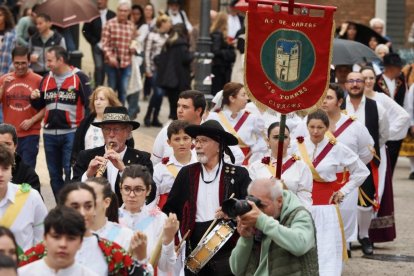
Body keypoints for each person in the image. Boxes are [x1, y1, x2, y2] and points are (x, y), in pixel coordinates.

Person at [163, 120, 251, 275]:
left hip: (229, 252)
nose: (197, 145)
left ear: (219, 145)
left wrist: (233, 211)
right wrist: (173, 241)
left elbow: (252, 207)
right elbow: (170, 211)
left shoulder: (238, 175)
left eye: (203, 141)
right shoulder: (187, 174)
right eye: (196, 141)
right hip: (196, 251)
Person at [291, 110, 369, 275]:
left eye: (320, 127)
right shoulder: (296, 146)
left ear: (327, 128)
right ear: (306, 127)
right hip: (300, 206)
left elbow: (362, 171)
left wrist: (343, 191)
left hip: (326, 207)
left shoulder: (337, 148)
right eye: (312, 127)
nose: (315, 131)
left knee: (327, 249)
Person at [19, 182, 139, 275]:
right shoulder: (41, 251)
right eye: (74, 206)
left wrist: (141, 256)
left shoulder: (111, 252)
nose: (82, 213)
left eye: (88, 206)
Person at [30, 46, 91, 200]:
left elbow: (89, 106)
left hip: (71, 133)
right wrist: (34, 98)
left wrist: (85, 130)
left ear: (61, 60)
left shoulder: (79, 77)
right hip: (49, 134)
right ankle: (61, 207)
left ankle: (70, 206)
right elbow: (40, 106)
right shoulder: (46, 79)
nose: (47, 64)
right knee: (54, 175)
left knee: (70, 172)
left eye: (50, 60)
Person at [320, 84, 375, 250]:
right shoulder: (310, 123)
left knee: (344, 222)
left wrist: (351, 170)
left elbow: (367, 153)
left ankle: (343, 252)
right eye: (322, 97)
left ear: (340, 101)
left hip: (344, 181)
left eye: (329, 98)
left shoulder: (354, 126)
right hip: (319, 181)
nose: (324, 101)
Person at [343, 71, 391, 254]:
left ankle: (364, 236)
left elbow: (383, 135)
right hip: (343, 163)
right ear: (346, 84)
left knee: (366, 203)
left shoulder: (377, 107)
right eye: (351, 80)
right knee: (345, 200)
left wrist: (369, 152)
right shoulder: (339, 106)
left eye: (359, 81)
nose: (355, 84)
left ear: (365, 84)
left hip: (367, 162)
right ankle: (346, 240)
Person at [229, 178, 318, 276]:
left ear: (279, 201)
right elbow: (236, 270)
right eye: (254, 205)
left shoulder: (299, 215)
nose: (258, 211)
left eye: (262, 205)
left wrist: (262, 221)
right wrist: (245, 239)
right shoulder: (257, 221)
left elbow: (300, 246)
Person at [362, 66, 409, 243]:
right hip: (356, 152)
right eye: (364, 78)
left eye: (371, 78)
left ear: (375, 80)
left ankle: (370, 234)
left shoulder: (381, 99)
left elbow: (403, 116)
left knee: (376, 189)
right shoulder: (352, 100)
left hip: (377, 151)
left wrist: (386, 135)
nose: (367, 81)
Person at [72, 106, 154, 204]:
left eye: (116, 129)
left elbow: (151, 193)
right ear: (102, 132)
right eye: (107, 129)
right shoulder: (86, 156)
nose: (111, 134)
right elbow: (71, 192)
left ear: (128, 133)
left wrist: (124, 170)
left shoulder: (142, 159)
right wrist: (88, 175)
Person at [118, 165, 179, 275]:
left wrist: (168, 240)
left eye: (138, 189)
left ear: (148, 190)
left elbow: (165, 266)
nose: (131, 195)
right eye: (127, 189)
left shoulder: (159, 219)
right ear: (120, 188)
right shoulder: (111, 217)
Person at [18, 206, 99, 275]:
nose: (63, 244)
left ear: (81, 242)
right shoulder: (22, 273)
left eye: (71, 238)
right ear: (45, 238)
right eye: (56, 237)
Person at [248, 122, 313, 206]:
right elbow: (251, 198)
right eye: (276, 137)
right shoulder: (256, 167)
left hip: (291, 216)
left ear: (289, 140)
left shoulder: (301, 167)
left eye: (285, 137)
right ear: (268, 141)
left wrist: (286, 191)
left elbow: (305, 201)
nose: (280, 141)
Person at [0, 46, 44, 169]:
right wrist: (3, 87)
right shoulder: (4, 79)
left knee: (27, 169)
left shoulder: (39, 80)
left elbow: (48, 107)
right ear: (12, 61)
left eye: (23, 63)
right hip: (8, 135)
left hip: (30, 133)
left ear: (29, 62)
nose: (20, 66)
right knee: (7, 169)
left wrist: (32, 120)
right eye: (17, 63)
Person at [0, 143, 47, 251]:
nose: (0, 174)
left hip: (24, 266)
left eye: (5, 168)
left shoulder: (31, 197)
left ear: (12, 170)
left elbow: (43, 236)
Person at [207, 82, 267, 165]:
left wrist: (254, 150)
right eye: (243, 95)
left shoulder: (252, 118)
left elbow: (264, 139)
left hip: (244, 164)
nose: (247, 98)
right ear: (232, 98)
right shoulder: (214, 117)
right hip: (218, 163)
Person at [71, 86, 124, 165]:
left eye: (101, 99)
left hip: (109, 166)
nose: (98, 102)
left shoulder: (119, 123)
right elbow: (77, 146)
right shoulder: (86, 122)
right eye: (96, 99)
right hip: (87, 166)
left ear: (111, 103)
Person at [374, 53, 407, 173]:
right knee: (380, 161)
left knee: (392, 161)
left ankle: (388, 188)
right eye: (399, 67)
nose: (401, 69)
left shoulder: (402, 82)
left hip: (397, 128)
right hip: (380, 127)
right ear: (391, 67)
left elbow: (407, 103)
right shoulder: (376, 81)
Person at [152, 120, 197, 208]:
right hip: (167, 214)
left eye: (185, 138)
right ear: (169, 142)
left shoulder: (200, 166)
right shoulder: (160, 169)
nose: (181, 143)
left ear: (192, 140)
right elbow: (152, 198)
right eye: (177, 139)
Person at [101, 0, 136, 105]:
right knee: (111, 91)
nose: (122, 13)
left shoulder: (131, 25)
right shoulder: (109, 24)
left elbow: (134, 41)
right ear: (117, 11)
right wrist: (110, 57)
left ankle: (120, 115)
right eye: (120, 10)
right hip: (112, 63)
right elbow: (104, 44)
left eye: (125, 11)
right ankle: (109, 114)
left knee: (123, 92)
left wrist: (133, 48)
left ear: (129, 12)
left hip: (126, 63)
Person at [85, 177, 134, 251]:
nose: (86, 201)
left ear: (106, 202)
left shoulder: (125, 235)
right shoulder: (70, 235)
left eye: (92, 196)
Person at [156, 23, 193, 120]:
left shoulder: (167, 44)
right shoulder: (182, 45)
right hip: (180, 80)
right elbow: (186, 59)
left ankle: (172, 121)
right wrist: (192, 54)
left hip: (168, 80)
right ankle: (176, 125)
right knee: (180, 105)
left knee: (173, 105)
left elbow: (158, 59)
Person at [143, 13, 172, 127]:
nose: (169, 25)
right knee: (158, 93)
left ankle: (154, 117)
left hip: (163, 71)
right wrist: (147, 69)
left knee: (159, 94)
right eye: (168, 22)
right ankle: (148, 114)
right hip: (154, 69)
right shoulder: (151, 35)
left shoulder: (167, 37)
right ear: (162, 23)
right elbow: (147, 52)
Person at [82, 0, 116, 88]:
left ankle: (109, 90)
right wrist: (94, 42)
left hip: (109, 47)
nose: (99, 1)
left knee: (107, 68)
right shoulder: (92, 15)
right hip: (97, 46)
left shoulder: (112, 15)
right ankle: (98, 87)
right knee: (99, 67)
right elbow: (84, 30)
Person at [0, 124, 40, 192]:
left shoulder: (28, 174)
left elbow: (34, 200)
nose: (3, 148)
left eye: (7, 144)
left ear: (15, 146)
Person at [210, 12, 235, 95]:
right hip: (219, 69)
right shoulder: (217, 34)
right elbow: (216, 51)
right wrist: (229, 52)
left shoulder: (219, 33)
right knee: (218, 91)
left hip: (221, 68)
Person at [0, 5, 16, 75]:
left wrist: (11, 71)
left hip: (6, 72)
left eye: (0, 15)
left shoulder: (12, 34)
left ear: (6, 17)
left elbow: (14, 53)